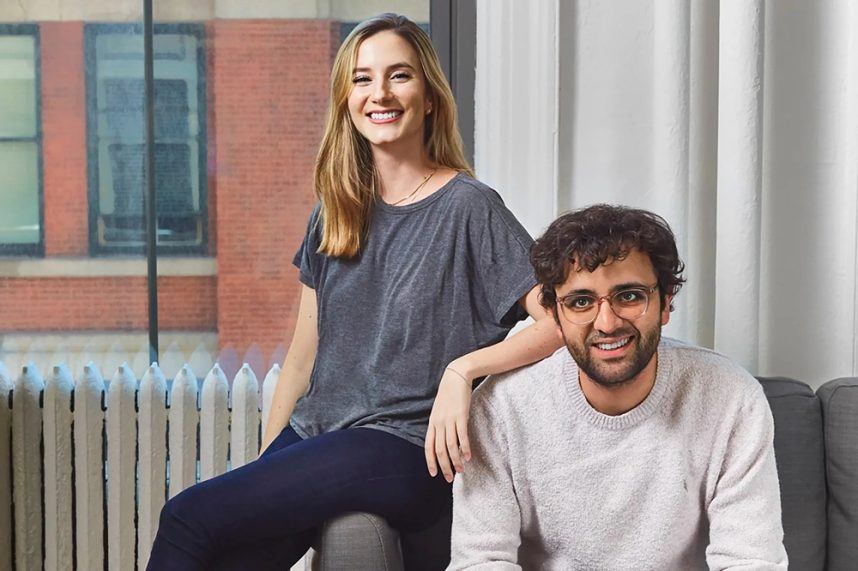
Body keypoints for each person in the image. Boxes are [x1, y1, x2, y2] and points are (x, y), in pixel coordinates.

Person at [147, 13, 562, 571]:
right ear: (347, 99)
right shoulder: (335, 211)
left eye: (399, 75)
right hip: (320, 434)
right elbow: (300, 359)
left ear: (431, 97)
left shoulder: (469, 206)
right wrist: (267, 471)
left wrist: (463, 371)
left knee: (185, 517)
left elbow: (559, 322)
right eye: (363, 79)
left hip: (404, 448)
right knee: (223, 553)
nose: (380, 93)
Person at [448, 204, 789, 570]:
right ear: (556, 317)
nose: (607, 323)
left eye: (629, 296)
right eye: (581, 302)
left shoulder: (732, 398)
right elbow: (479, 562)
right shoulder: (501, 407)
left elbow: (751, 561)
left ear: (665, 303)